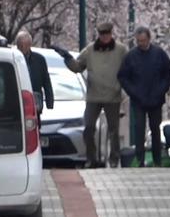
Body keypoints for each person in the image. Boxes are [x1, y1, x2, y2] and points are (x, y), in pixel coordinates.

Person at [52, 21, 128, 168]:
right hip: (94, 96)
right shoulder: (91, 50)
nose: (104, 37)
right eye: (102, 35)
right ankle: (91, 158)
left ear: (111, 34)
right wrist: (67, 58)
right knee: (89, 128)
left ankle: (114, 158)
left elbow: (129, 67)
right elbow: (78, 66)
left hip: (113, 96)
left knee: (113, 129)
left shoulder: (120, 50)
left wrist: (123, 85)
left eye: (107, 34)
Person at [117, 26, 170, 167]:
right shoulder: (131, 56)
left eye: (143, 40)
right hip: (138, 99)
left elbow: (168, 74)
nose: (141, 43)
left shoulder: (159, 54)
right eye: (138, 41)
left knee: (155, 129)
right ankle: (140, 159)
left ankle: (157, 160)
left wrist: (161, 90)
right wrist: (133, 92)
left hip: (156, 98)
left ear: (149, 39)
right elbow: (123, 76)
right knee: (139, 129)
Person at [16, 30, 53, 123]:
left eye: (23, 45)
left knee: (34, 125)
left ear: (29, 45)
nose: (21, 47)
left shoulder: (39, 60)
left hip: (34, 100)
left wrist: (50, 102)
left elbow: (46, 81)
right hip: (17, 100)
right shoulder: (13, 58)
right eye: (19, 45)